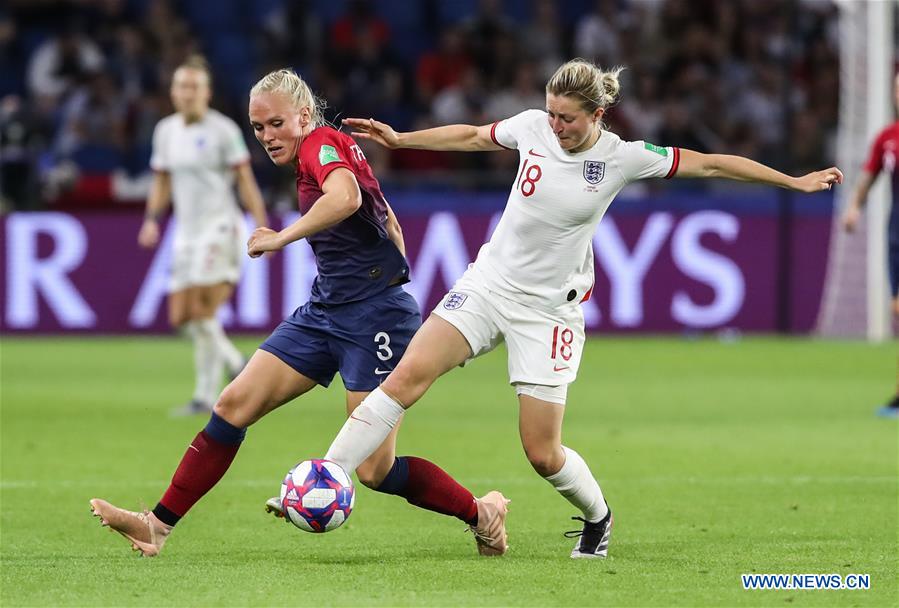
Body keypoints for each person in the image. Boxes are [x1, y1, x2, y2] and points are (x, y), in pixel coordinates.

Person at [324, 58, 844, 559]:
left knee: (542, 452)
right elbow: (474, 135)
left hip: (549, 312)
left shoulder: (623, 157)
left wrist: (792, 181)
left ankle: (598, 517)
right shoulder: (532, 127)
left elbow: (710, 163)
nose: (555, 125)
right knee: (405, 379)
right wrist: (402, 139)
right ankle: (326, 477)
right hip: (488, 285)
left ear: (597, 115)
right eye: (551, 113)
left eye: (566, 117)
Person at [90, 68, 509, 558]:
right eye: (258, 128)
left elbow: (347, 196)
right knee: (232, 406)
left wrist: (280, 238)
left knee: (375, 470)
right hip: (326, 308)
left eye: (275, 124)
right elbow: (381, 211)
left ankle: (482, 513)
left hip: (373, 319)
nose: (267, 136)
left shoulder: (320, 143)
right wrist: (388, 251)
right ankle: (155, 527)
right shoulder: (321, 150)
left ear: (304, 116)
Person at [138, 55, 268, 416]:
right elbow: (161, 180)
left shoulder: (223, 130)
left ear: (207, 92)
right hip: (185, 233)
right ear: (173, 91)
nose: (188, 93)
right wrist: (151, 219)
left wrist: (261, 222)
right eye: (182, 86)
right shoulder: (165, 131)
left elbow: (245, 180)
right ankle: (234, 360)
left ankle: (204, 395)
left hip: (219, 228)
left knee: (202, 309)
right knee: (182, 316)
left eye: (195, 86)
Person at [841, 73, 899, 418]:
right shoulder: (887, 138)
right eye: (896, 87)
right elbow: (868, 178)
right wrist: (853, 208)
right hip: (896, 236)